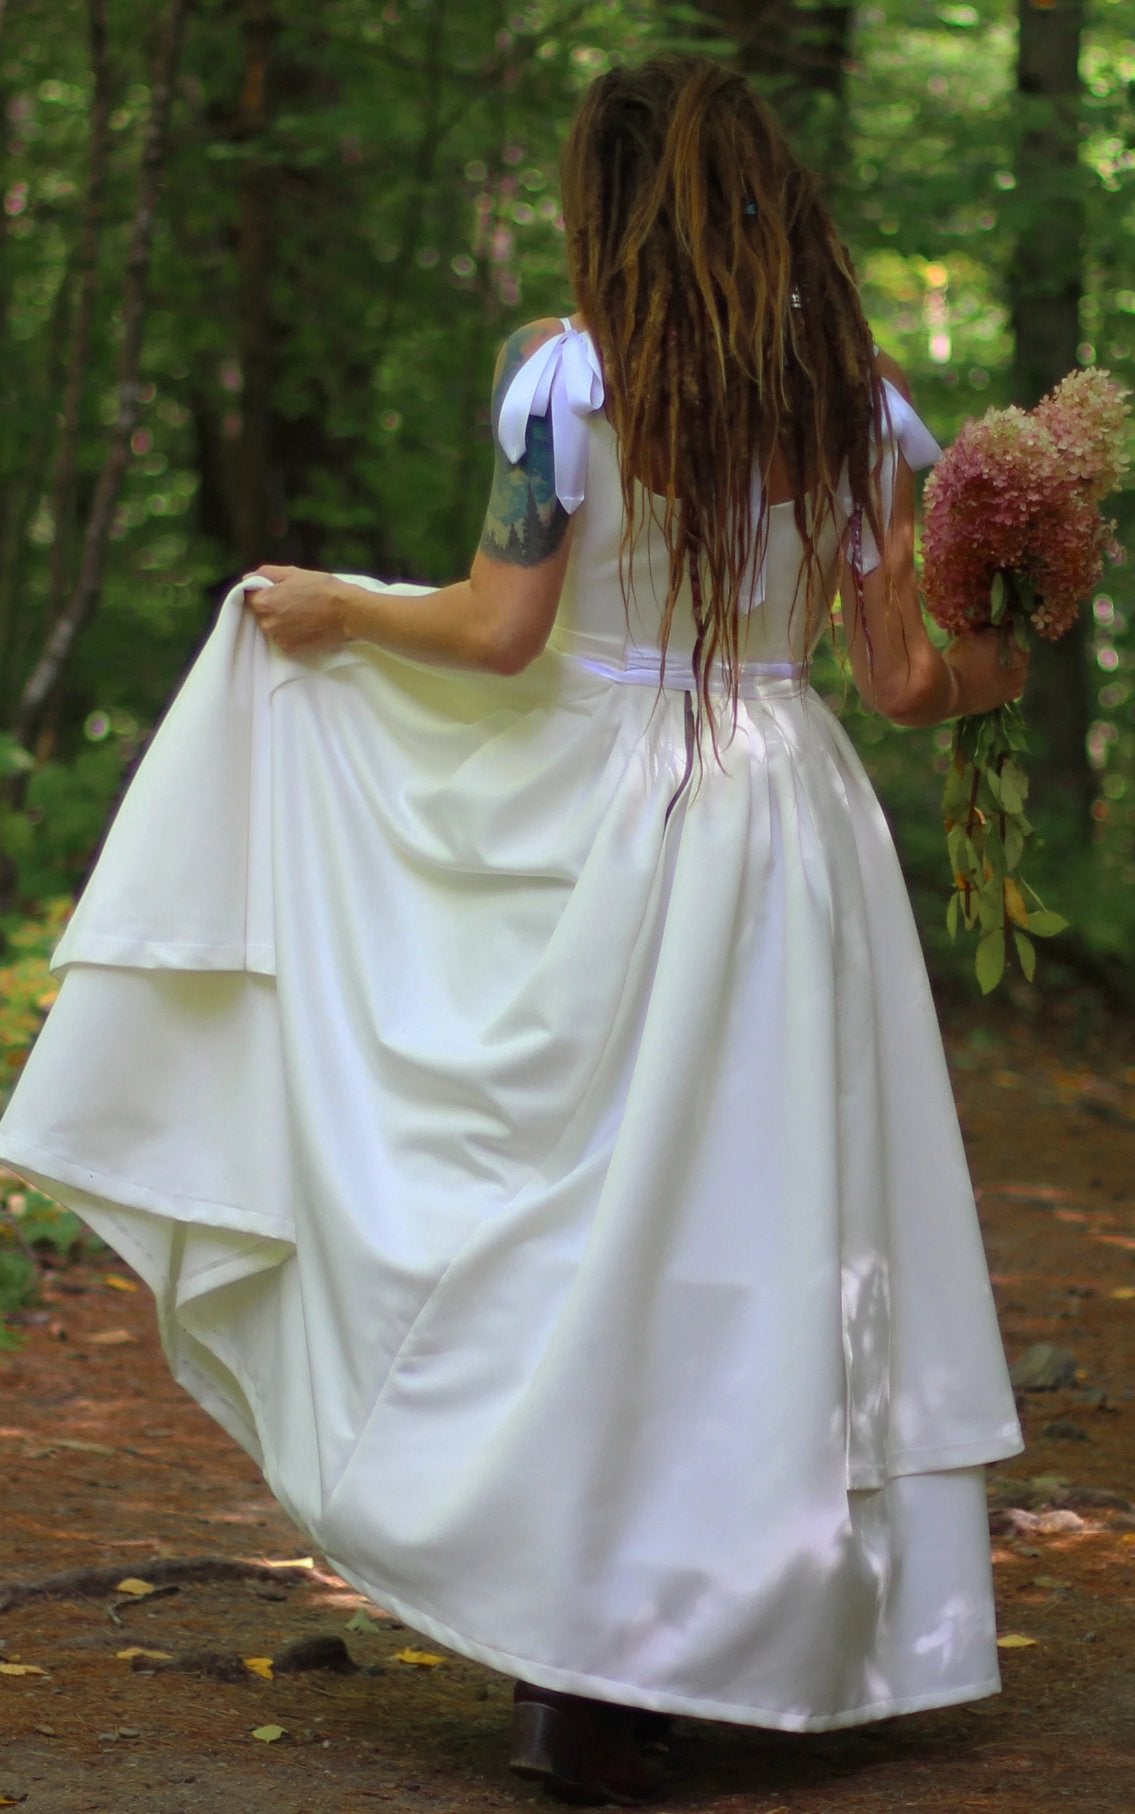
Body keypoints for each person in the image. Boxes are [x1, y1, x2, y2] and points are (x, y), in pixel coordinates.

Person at [0, 54, 1028, 1808]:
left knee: (587, 1216)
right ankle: (761, 1625)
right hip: (789, 819)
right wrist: (1020, 637)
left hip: (616, 815)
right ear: (768, 195)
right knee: (775, 1218)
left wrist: (337, 609)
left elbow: (495, 632)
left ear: (610, 202)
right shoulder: (856, 398)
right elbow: (913, 680)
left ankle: (581, 1669)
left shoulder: (564, 380)